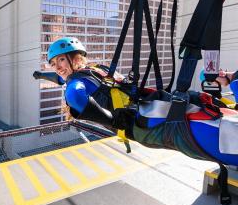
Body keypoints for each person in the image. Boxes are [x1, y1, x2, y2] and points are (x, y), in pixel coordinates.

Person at [37, 37, 238, 168]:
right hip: (149, 106)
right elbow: (62, 78)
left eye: (61, 60)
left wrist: (115, 123)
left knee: (207, 134)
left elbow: (75, 94)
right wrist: (42, 74)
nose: (58, 68)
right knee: (201, 109)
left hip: (143, 125)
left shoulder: (75, 85)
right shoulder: (95, 70)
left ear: (74, 57)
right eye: (54, 64)